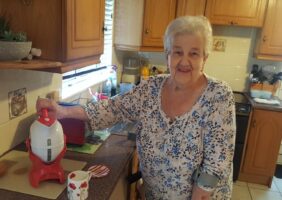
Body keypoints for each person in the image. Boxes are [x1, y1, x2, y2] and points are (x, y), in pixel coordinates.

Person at [37, 16, 235, 200]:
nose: (184, 61)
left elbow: (215, 165)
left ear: (205, 58)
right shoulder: (150, 88)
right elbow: (113, 108)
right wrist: (62, 111)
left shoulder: (218, 95)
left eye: (194, 53)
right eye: (177, 52)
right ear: (167, 55)